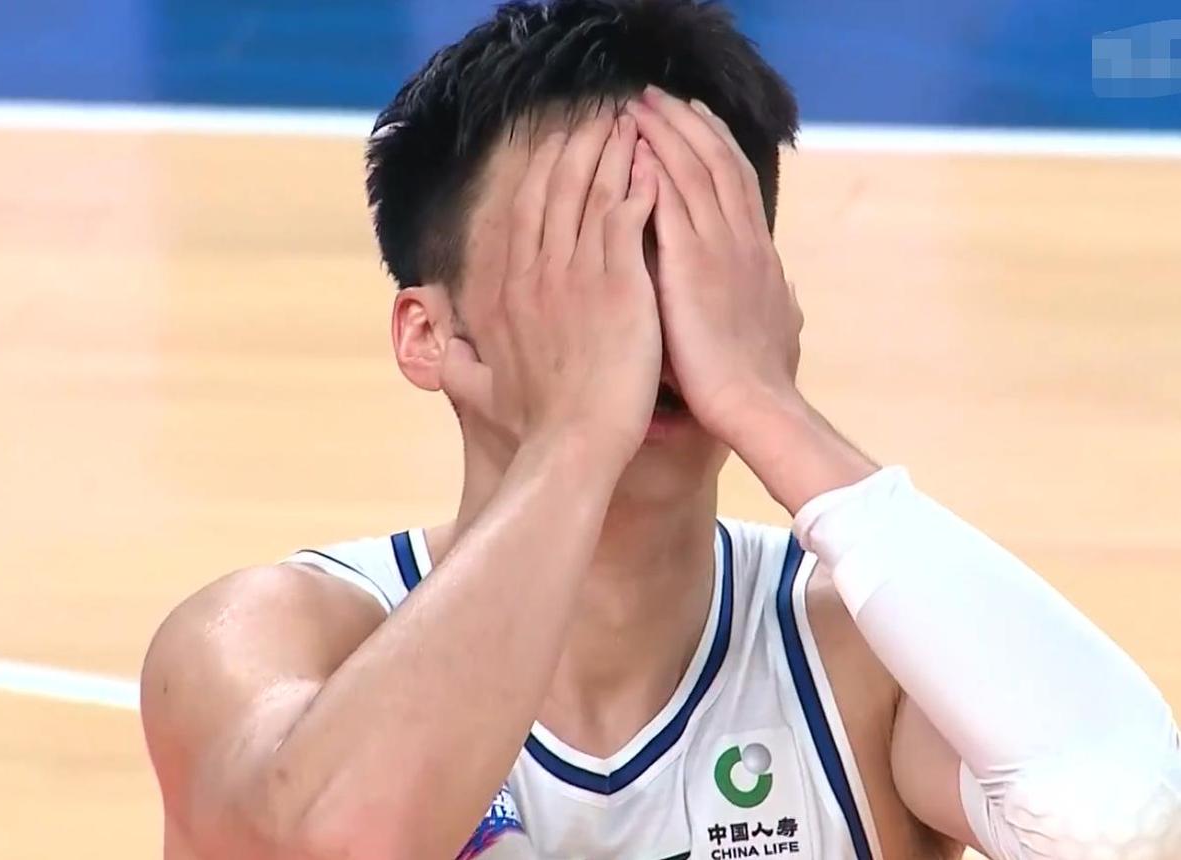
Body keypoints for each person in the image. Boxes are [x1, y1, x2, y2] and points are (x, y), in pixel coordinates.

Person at [140, 2, 1181, 858]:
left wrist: (771, 408)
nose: (640, 312)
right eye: (578, 255)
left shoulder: (864, 655)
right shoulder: (268, 640)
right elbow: (341, 840)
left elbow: (1124, 818)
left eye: (684, 250)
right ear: (429, 333)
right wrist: (575, 438)